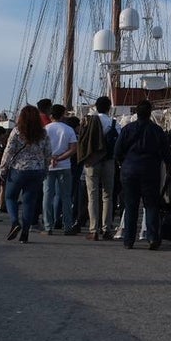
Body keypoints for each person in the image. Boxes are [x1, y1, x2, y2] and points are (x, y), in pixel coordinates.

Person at [114, 100, 171, 250]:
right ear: (150, 113)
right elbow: (167, 152)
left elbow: (117, 151)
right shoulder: (157, 130)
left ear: (136, 113)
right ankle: (152, 237)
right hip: (150, 170)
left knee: (131, 205)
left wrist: (124, 162)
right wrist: (168, 165)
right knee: (151, 205)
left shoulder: (127, 129)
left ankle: (129, 240)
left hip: (129, 170)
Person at [0, 105, 52, 244]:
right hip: (37, 170)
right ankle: (25, 233)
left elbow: (8, 151)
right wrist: (45, 169)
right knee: (29, 201)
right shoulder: (43, 133)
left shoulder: (17, 131)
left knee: (10, 197)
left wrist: (3, 168)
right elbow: (48, 153)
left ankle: (15, 222)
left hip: (18, 169)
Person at [78, 95, 118, 241]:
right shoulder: (113, 123)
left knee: (92, 195)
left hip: (92, 160)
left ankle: (93, 229)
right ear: (109, 108)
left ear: (96, 106)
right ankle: (107, 229)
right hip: (108, 160)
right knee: (107, 195)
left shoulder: (88, 121)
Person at [42, 103, 77, 235]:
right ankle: (67, 226)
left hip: (49, 165)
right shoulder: (68, 130)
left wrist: (51, 158)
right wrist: (61, 158)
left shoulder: (45, 129)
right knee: (66, 196)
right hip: (64, 165)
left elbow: (41, 148)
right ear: (63, 115)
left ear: (51, 115)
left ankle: (47, 226)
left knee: (47, 195)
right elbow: (73, 148)